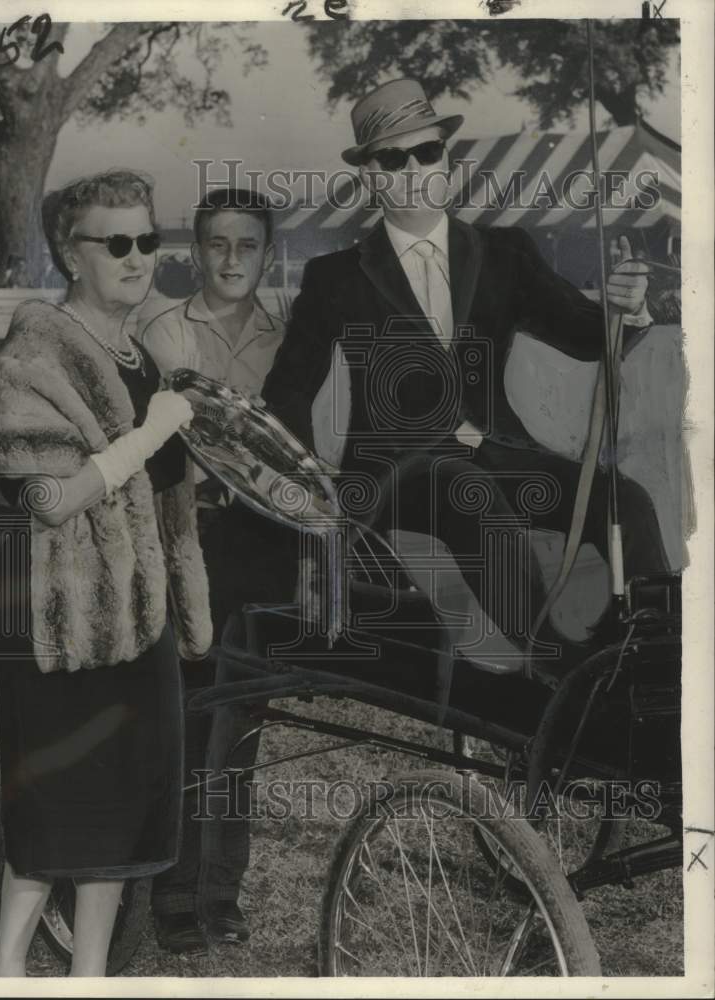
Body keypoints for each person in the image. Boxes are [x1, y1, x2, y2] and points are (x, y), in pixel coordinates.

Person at [262, 78, 671, 670]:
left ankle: (646, 660)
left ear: (447, 162)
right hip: (395, 479)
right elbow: (289, 389)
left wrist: (626, 308)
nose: (414, 170)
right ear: (371, 175)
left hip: (502, 454)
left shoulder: (506, 252)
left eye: (428, 152)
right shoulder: (335, 276)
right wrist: (309, 497)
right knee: (472, 496)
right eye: (392, 158)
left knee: (625, 499)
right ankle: (559, 672)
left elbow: (584, 334)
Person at [0, 169, 212, 977]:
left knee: (116, 824)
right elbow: (47, 497)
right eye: (116, 243)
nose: (138, 258)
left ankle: (88, 979)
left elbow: (172, 499)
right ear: (72, 257)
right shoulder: (33, 352)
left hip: (140, 619)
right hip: (55, 618)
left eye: (148, 240)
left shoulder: (142, 355)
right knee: (50, 817)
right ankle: (3, 974)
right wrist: (150, 434)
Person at [137, 188, 290, 954]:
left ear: (269, 253)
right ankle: (170, 891)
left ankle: (220, 894)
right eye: (217, 244)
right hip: (182, 536)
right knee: (182, 713)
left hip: (260, 546)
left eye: (248, 245)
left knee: (239, 723)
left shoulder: (287, 337)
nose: (232, 259)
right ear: (192, 252)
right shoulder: (163, 332)